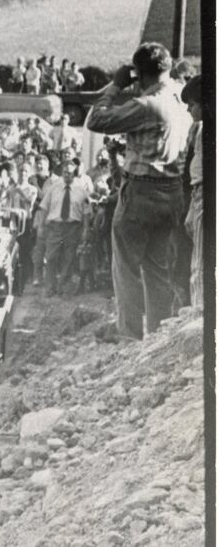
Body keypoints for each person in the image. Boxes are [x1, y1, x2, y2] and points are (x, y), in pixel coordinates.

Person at [86, 43, 193, 339]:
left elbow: (95, 120)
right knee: (157, 267)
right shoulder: (178, 97)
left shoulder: (148, 104)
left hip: (141, 191)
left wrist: (116, 86)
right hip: (172, 192)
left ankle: (128, 332)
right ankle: (157, 332)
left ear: (140, 74)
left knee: (126, 265)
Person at [35, 152, 91, 296]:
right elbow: (44, 207)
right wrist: (41, 226)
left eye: (71, 173)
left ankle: (64, 287)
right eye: (65, 173)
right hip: (55, 227)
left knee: (69, 258)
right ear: (62, 173)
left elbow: (86, 212)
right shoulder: (54, 187)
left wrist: (85, 229)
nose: (67, 176)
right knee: (51, 257)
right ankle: (50, 287)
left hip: (72, 227)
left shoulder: (81, 190)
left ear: (75, 174)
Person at [182, 76, 204, 312]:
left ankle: (201, 314)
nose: (189, 109)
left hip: (207, 194)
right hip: (198, 193)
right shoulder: (199, 129)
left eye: (192, 104)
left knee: (201, 262)